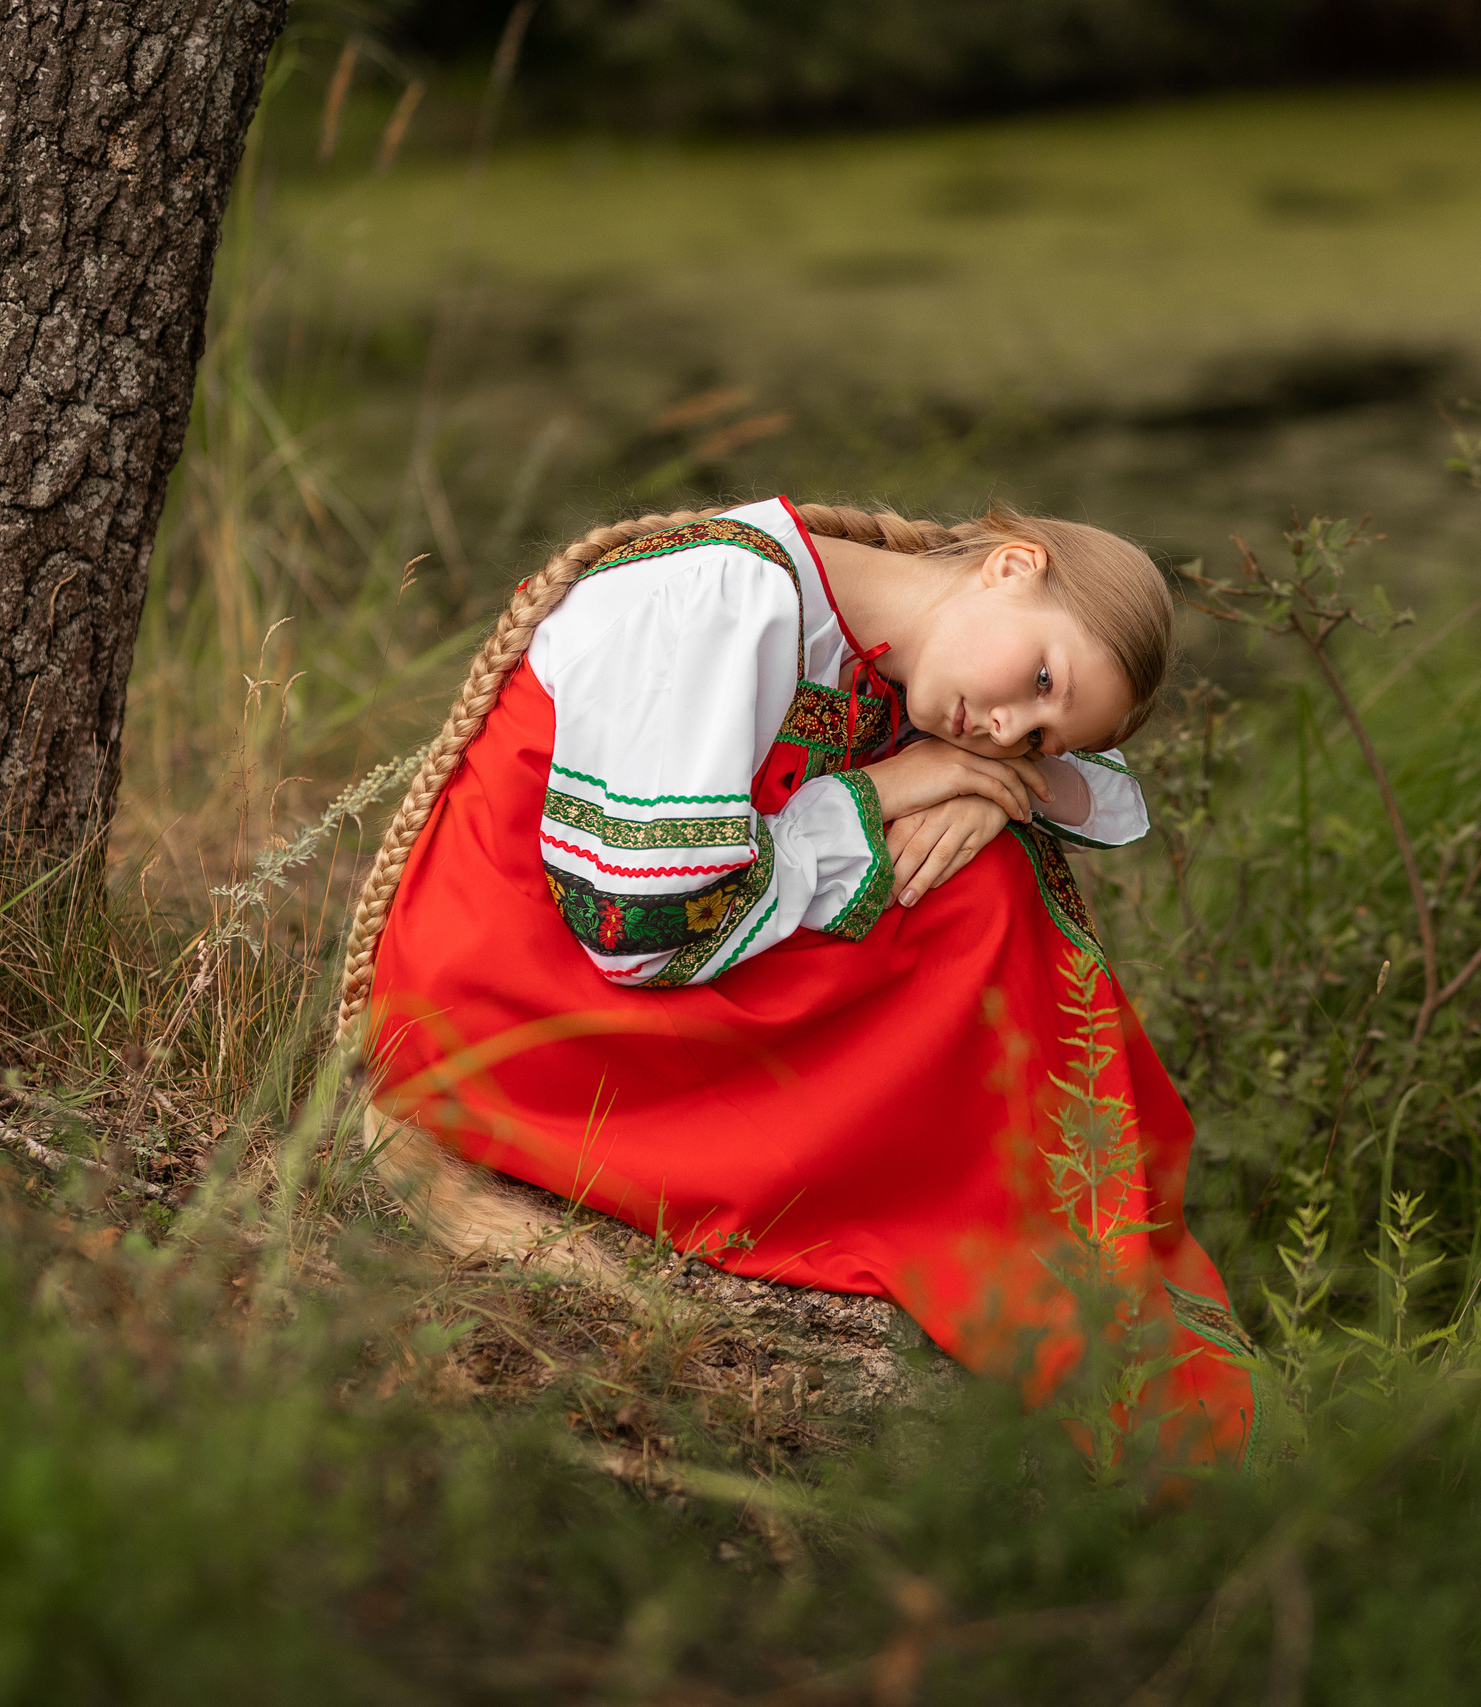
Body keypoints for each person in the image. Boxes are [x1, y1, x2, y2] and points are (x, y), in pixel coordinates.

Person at [338, 496, 1265, 1467]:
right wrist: (882, 792)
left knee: (985, 876)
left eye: (1035, 733)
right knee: (979, 902)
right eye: (1037, 681)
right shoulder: (719, 597)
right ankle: (1024, 1264)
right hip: (519, 1006)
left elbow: (1105, 795)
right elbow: (639, 931)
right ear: (1008, 565)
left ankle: (1070, 1262)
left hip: (603, 970)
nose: (1003, 724)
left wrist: (980, 781)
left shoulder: (871, 621)